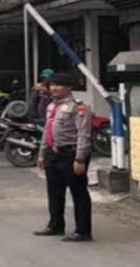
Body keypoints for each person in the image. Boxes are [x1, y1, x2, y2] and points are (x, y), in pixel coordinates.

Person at [34, 72, 93, 242]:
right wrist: (42, 154)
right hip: (53, 153)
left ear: (68, 87)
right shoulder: (52, 107)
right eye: (51, 85)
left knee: (78, 193)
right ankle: (55, 225)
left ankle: (82, 231)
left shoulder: (79, 107)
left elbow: (84, 134)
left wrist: (80, 159)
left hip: (71, 154)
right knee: (54, 191)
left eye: (58, 85)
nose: (53, 88)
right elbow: (47, 130)